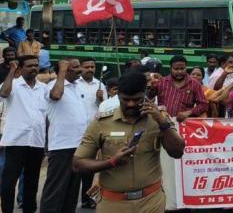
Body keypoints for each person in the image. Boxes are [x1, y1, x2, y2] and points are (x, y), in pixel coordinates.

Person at [73, 71, 185, 212]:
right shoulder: (102, 122)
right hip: (113, 204)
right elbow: (78, 164)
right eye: (125, 99)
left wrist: (162, 123)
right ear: (118, 95)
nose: (131, 104)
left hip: (151, 202)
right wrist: (112, 162)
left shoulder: (158, 118)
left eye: (137, 99)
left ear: (144, 94)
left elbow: (177, 152)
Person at [0, 55, 47, 213]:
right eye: (29, 65)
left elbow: (45, 115)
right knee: (9, 182)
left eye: (36, 65)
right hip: (16, 141)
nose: (34, 68)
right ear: (21, 68)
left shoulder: (43, 88)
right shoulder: (12, 85)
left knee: (32, 182)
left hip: (36, 142)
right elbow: (3, 94)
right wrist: (12, 70)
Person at [40, 59, 89, 213]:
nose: (80, 69)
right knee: (55, 189)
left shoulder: (77, 87)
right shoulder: (52, 86)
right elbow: (56, 95)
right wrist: (60, 72)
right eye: (75, 67)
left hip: (78, 146)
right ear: (65, 70)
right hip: (61, 146)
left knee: (72, 189)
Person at [148, 55, 208, 122]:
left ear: (186, 68)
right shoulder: (162, 82)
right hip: (163, 123)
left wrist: (188, 112)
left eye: (182, 68)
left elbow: (203, 105)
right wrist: (151, 87)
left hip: (184, 125)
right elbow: (148, 99)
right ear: (170, 69)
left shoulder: (195, 84)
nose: (179, 71)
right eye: (176, 69)